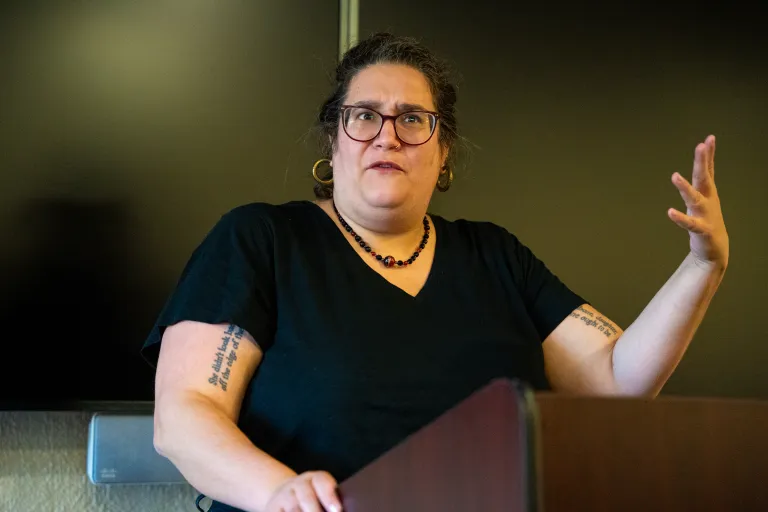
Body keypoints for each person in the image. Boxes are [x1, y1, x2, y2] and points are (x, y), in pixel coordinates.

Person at [141, 33, 729, 512]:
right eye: (364, 116)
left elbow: (616, 384)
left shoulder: (495, 255)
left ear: (442, 150)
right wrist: (277, 493)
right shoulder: (261, 240)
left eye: (413, 119)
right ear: (334, 139)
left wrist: (701, 267)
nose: (387, 136)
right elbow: (185, 414)